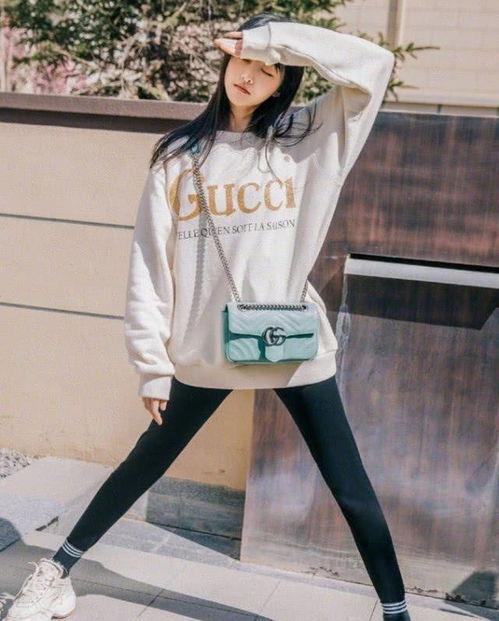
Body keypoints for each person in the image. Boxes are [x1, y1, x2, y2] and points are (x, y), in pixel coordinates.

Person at [4, 12, 411, 621]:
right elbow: (150, 264)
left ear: (286, 79)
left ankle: (397, 612)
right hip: (206, 348)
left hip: (288, 340)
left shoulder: (308, 136)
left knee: (348, 485)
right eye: (243, 60)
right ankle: (56, 571)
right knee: (146, 462)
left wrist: (272, 39)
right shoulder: (179, 155)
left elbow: (375, 65)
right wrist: (151, 364)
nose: (249, 75)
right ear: (225, 59)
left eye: (268, 69)